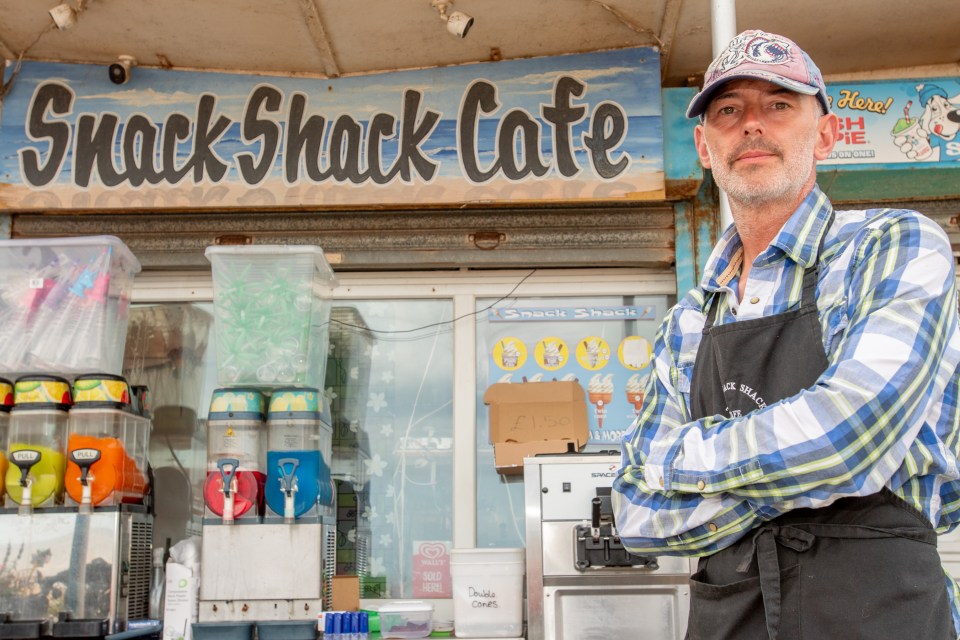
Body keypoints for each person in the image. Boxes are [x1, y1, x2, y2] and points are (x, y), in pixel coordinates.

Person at [611, 29, 960, 640]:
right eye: (728, 110)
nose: (752, 125)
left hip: (879, 612)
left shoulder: (892, 245)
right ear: (703, 145)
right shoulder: (688, 321)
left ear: (825, 133)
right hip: (731, 615)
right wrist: (813, 481)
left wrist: (683, 459)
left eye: (779, 104)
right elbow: (637, 513)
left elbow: (850, 436)